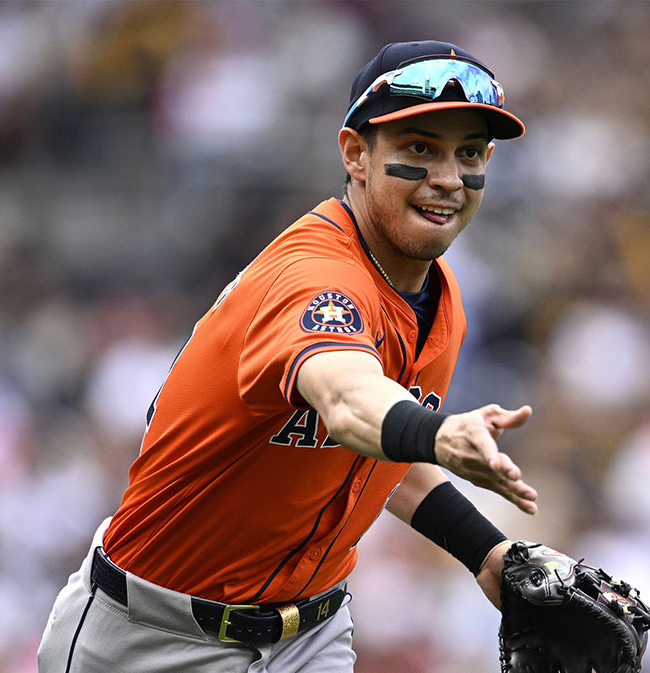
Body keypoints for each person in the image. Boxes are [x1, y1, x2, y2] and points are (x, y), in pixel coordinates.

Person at [39, 40, 538, 673]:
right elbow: (350, 402)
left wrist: (489, 554)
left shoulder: (438, 296)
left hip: (311, 634)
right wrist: (438, 433)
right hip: (155, 636)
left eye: (468, 153)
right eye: (419, 149)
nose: (447, 177)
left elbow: (377, 452)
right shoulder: (314, 276)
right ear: (356, 154)